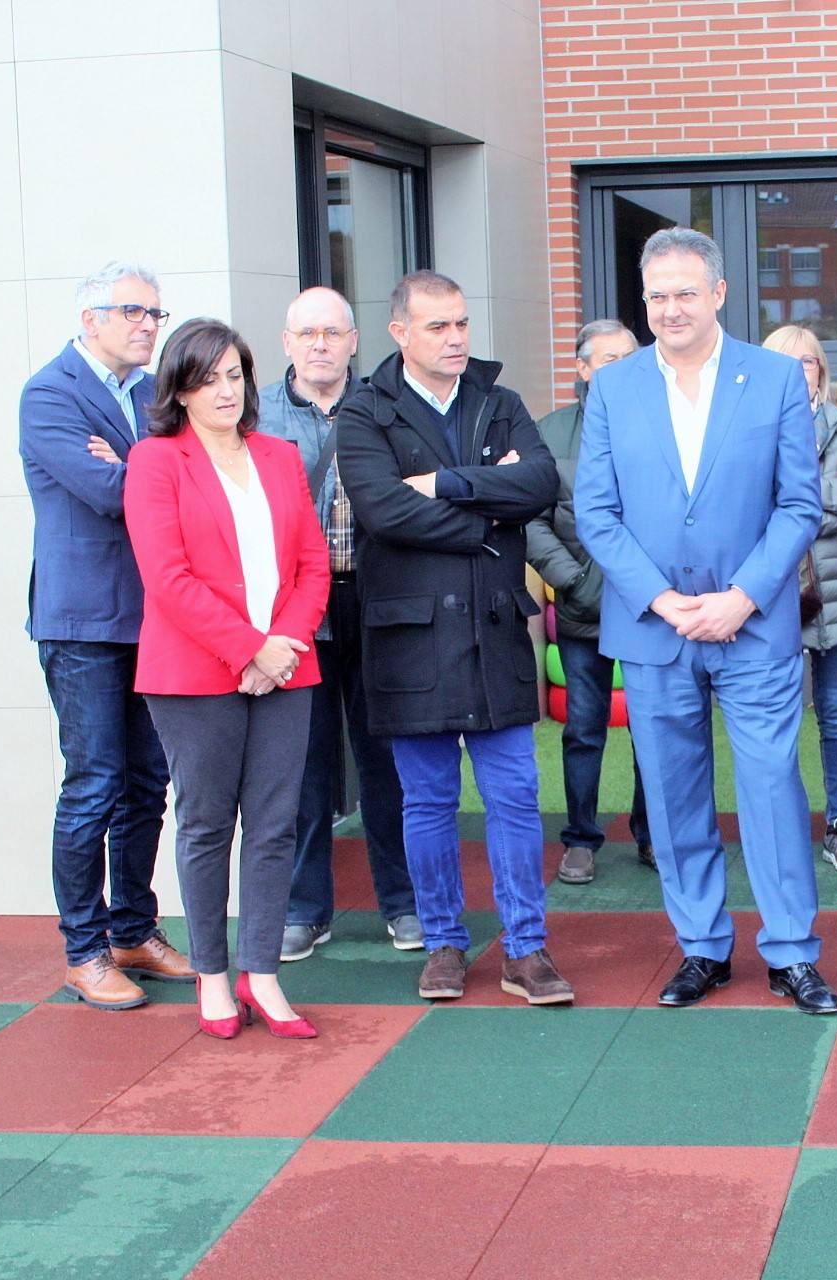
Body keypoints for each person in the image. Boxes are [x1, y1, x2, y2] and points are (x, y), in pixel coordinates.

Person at [575, 226, 837, 1015]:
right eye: (656, 296)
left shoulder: (773, 378)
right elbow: (595, 511)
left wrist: (744, 597)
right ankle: (702, 946)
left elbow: (801, 503)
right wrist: (660, 600)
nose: (670, 309)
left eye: (686, 292)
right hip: (655, 629)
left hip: (752, 627)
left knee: (769, 786)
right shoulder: (615, 389)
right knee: (674, 791)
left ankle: (792, 952)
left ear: (720, 293)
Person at [335, 270, 574, 1007]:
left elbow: (539, 484)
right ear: (400, 332)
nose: (457, 338)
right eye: (438, 326)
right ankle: (443, 943)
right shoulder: (363, 412)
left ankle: (525, 950)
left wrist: (439, 484)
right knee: (428, 802)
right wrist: (486, 511)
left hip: (494, 630)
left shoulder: (498, 402)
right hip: (408, 641)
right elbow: (381, 512)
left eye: (462, 323)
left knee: (515, 796)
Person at [123, 318, 330, 1040]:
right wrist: (247, 650)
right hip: (192, 674)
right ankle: (213, 977)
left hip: (287, 667)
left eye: (234, 375)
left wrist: (282, 647)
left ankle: (262, 974)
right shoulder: (155, 461)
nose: (223, 390)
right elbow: (168, 578)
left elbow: (311, 564)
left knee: (276, 825)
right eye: (205, 377)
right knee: (207, 823)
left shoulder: (276, 456)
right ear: (178, 388)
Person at [19, 261, 192, 1010]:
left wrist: (135, 464)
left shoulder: (153, 396)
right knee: (93, 785)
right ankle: (83, 949)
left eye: (154, 313)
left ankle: (133, 929)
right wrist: (144, 471)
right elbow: (110, 494)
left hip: (151, 619)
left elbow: (191, 476)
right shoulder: (51, 394)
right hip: (84, 622)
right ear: (89, 320)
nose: (148, 324)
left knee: (146, 783)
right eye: (132, 311)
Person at [256, 287, 421, 963]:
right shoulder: (256, 413)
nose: (320, 344)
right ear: (287, 342)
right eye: (307, 333)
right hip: (295, 611)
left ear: (356, 340)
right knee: (302, 766)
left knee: (389, 762)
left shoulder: (389, 404)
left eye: (333, 332)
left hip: (381, 601)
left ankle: (404, 901)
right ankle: (303, 908)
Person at [527, 319, 653, 885]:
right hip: (583, 612)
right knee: (584, 729)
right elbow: (530, 520)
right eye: (607, 359)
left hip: (656, 610)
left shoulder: (663, 425)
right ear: (582, 370)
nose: (621, 368)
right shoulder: (549, 433)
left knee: (656, 727)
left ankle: (654, 834)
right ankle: (580, 839)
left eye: (629, 356)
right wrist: (576, 584)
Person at [762, 324, 837, 873]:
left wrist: (795, 499)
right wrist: (826, 498)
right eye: (784, 364)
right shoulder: (748, 425)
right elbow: (746, 504)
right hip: (775, 592)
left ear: (820, 369)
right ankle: (782, 827)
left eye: (806, 363)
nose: (796, 373)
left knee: (836, 715)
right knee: (776, 715)